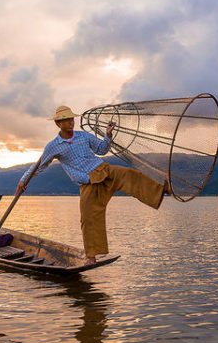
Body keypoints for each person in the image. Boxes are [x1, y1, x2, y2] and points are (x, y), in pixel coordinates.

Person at [16, 106, 170, 265]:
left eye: (71, 119)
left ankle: (163, 189)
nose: (71, 122)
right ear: (58, 123)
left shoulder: (83, 136)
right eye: (67, 120)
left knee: (130, 175)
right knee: (88, 218)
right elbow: (39, 165)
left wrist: (108, 134)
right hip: (88, 182)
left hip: (103, 170)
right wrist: (23, 181)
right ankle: (91, 257)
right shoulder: (53, 146)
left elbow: (102, 149)